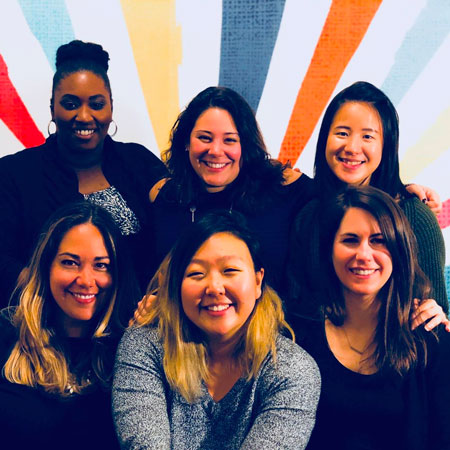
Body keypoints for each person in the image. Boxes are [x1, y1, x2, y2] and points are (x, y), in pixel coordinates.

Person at [113, 212, 321, 449]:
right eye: (196, 274)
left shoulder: (292, 370)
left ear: (257, 281)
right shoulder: (145, 345)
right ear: (177, 286)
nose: (214, 287)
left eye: (230, 270)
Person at [0, 40, 167, 307]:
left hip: (139, 319)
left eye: (97, 104)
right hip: (50, 323)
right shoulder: (14, 174)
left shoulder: (139, 163)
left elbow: (177, 229)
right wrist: (61, 298)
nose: (85, 116)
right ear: (52, 108)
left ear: (111, 107)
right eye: (70, 104)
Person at [291, 186, 450, 449]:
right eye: (350, 240)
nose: (364, 255)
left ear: (399, 250)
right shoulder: (297, 336)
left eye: (379, 241)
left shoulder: (431, 339)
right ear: (329, 250)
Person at [287, 81, 448, 317]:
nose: (352, 147)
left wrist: (435, 313)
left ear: (386, 146)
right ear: (325, 139)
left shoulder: (415, 215)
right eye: (342, 133)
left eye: (368, 136)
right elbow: (294, 306)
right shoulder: (309, 216)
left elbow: (436, 312)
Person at [147, 86, 316, 295]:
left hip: (273, 315)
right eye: (205, 138)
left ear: (245, 146)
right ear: (186, 143)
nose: (216, 151)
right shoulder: (164, 197)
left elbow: (339, 203)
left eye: (229, 140)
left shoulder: (284, 189)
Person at [0, 202, 141, 449]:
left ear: (117, 275)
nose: (85, 280)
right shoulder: (6, 333)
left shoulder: (132, 351)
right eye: (70, 262)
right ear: (46, 266)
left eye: (101, 265)